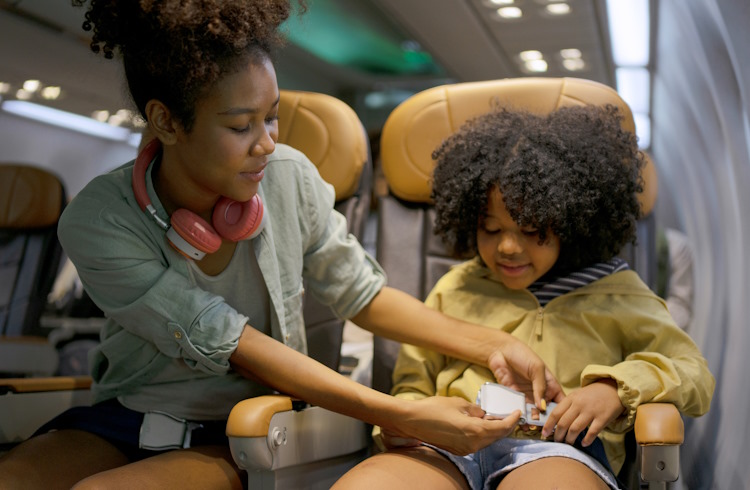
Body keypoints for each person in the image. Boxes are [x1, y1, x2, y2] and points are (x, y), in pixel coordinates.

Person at [0, 1, 563, 488]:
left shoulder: (289, 176)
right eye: (242, 126)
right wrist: (405, 414)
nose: (268, 144)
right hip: (126, 416)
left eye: (272, 118)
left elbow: (363, 296)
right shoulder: (100, 218)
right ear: (165, 122)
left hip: (248, 425)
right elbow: (233, 342)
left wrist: (489, 344)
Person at [333, 105, 715, 490]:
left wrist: (615, 389)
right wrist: (412, 419)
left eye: (532, 230)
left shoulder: (617, 291)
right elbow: (413, 381)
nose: (509, 247)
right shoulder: (457, 286)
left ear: (571, 221)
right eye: (490, 229)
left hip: (556, 449)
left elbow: (693, 372)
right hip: (445, 446)